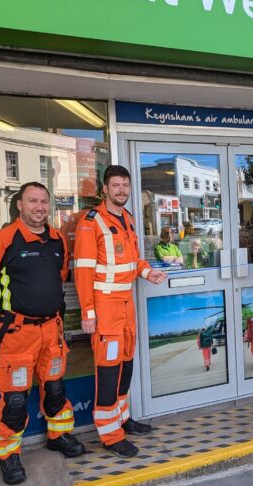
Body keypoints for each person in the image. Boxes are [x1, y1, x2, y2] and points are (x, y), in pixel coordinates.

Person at [0, 182, 86, 485]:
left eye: (44, 202)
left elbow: (60, 276)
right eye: (32, 201)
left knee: (55, 388)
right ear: (19, 205)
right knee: (15, 400)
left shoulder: (58, 239)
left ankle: (58, 435)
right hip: (19, 333)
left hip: (52, 330)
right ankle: (9, 455)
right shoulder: (3, 240)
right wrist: (11, 308)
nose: (39, 207)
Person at [74, 165, 166, 458]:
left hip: (126, 304)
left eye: (125, 185)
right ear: (104, 189)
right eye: (116, 185)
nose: (122, 190)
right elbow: (84, 271)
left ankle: (123, 420)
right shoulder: (92, 222)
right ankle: (110, 435)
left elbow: (134, 260)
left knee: (126, 366)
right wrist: (88, 312)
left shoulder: (126, 218)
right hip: (105, 307)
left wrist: (147, 272)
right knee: (109, 372)